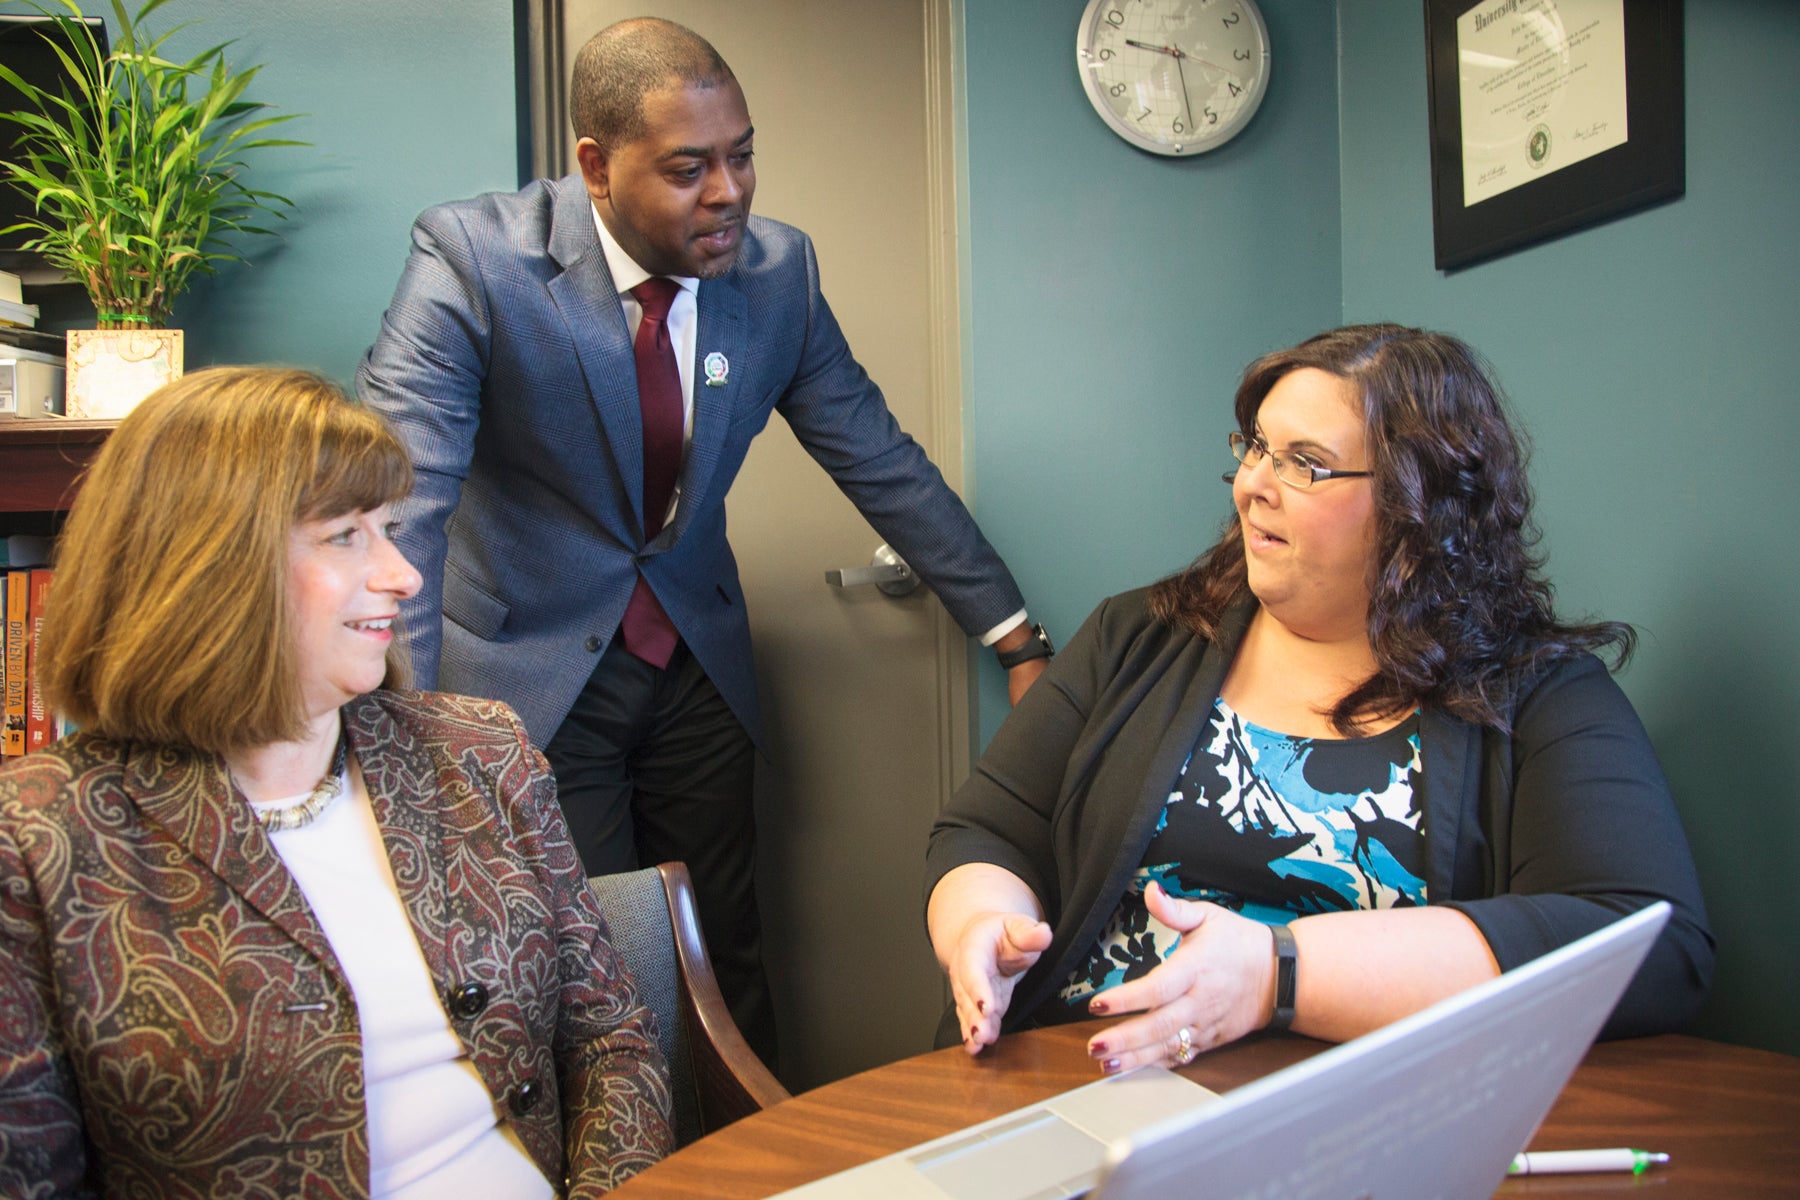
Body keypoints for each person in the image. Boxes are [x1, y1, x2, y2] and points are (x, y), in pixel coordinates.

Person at [356, 16, 1048, 1064]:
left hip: (693, 669)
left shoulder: (776, 273)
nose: (729, 192)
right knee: (594, 969)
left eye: (742, 156)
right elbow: (405, 497)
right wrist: (394, 730)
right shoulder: (475, 260)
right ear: (597, 165)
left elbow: (878, 458)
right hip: (529, 679)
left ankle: (750, 1149)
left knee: (724, 956)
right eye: (689, 169)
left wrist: (1016, 636)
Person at [926, 325, 1714, 1072]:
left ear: (1420, 505)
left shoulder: (1537, 693)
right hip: (1083, 1079)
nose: (1252, 485)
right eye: (1256, 447)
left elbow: (1655, 945)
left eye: (1305, 463)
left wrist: (1279, 976)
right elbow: (989, 828)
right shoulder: (1138, 636)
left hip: (1367, 1112)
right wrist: (980, 924)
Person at [0, 369, 672, 1198]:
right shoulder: (37, 841)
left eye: (388, 529)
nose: (404, 575)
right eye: (346, 535)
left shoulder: (478, 753)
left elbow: (611, 1039)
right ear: (207, 567)